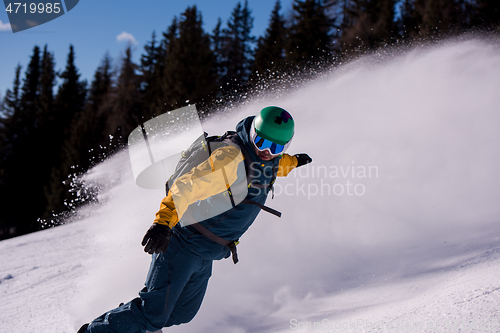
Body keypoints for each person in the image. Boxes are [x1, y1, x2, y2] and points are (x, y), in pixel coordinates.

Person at [78, 106, 312, 333]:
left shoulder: (268, 161)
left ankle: (128, 320)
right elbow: (185, 187)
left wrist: (294, 162)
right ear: (252, 134)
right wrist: (162, 223)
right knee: (153, 314)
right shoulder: (229, 160)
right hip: (183, 244)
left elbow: (274, 165)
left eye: (276, 147)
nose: (267, 151)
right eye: (261, 142)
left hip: (207, 251)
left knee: (182, 313)